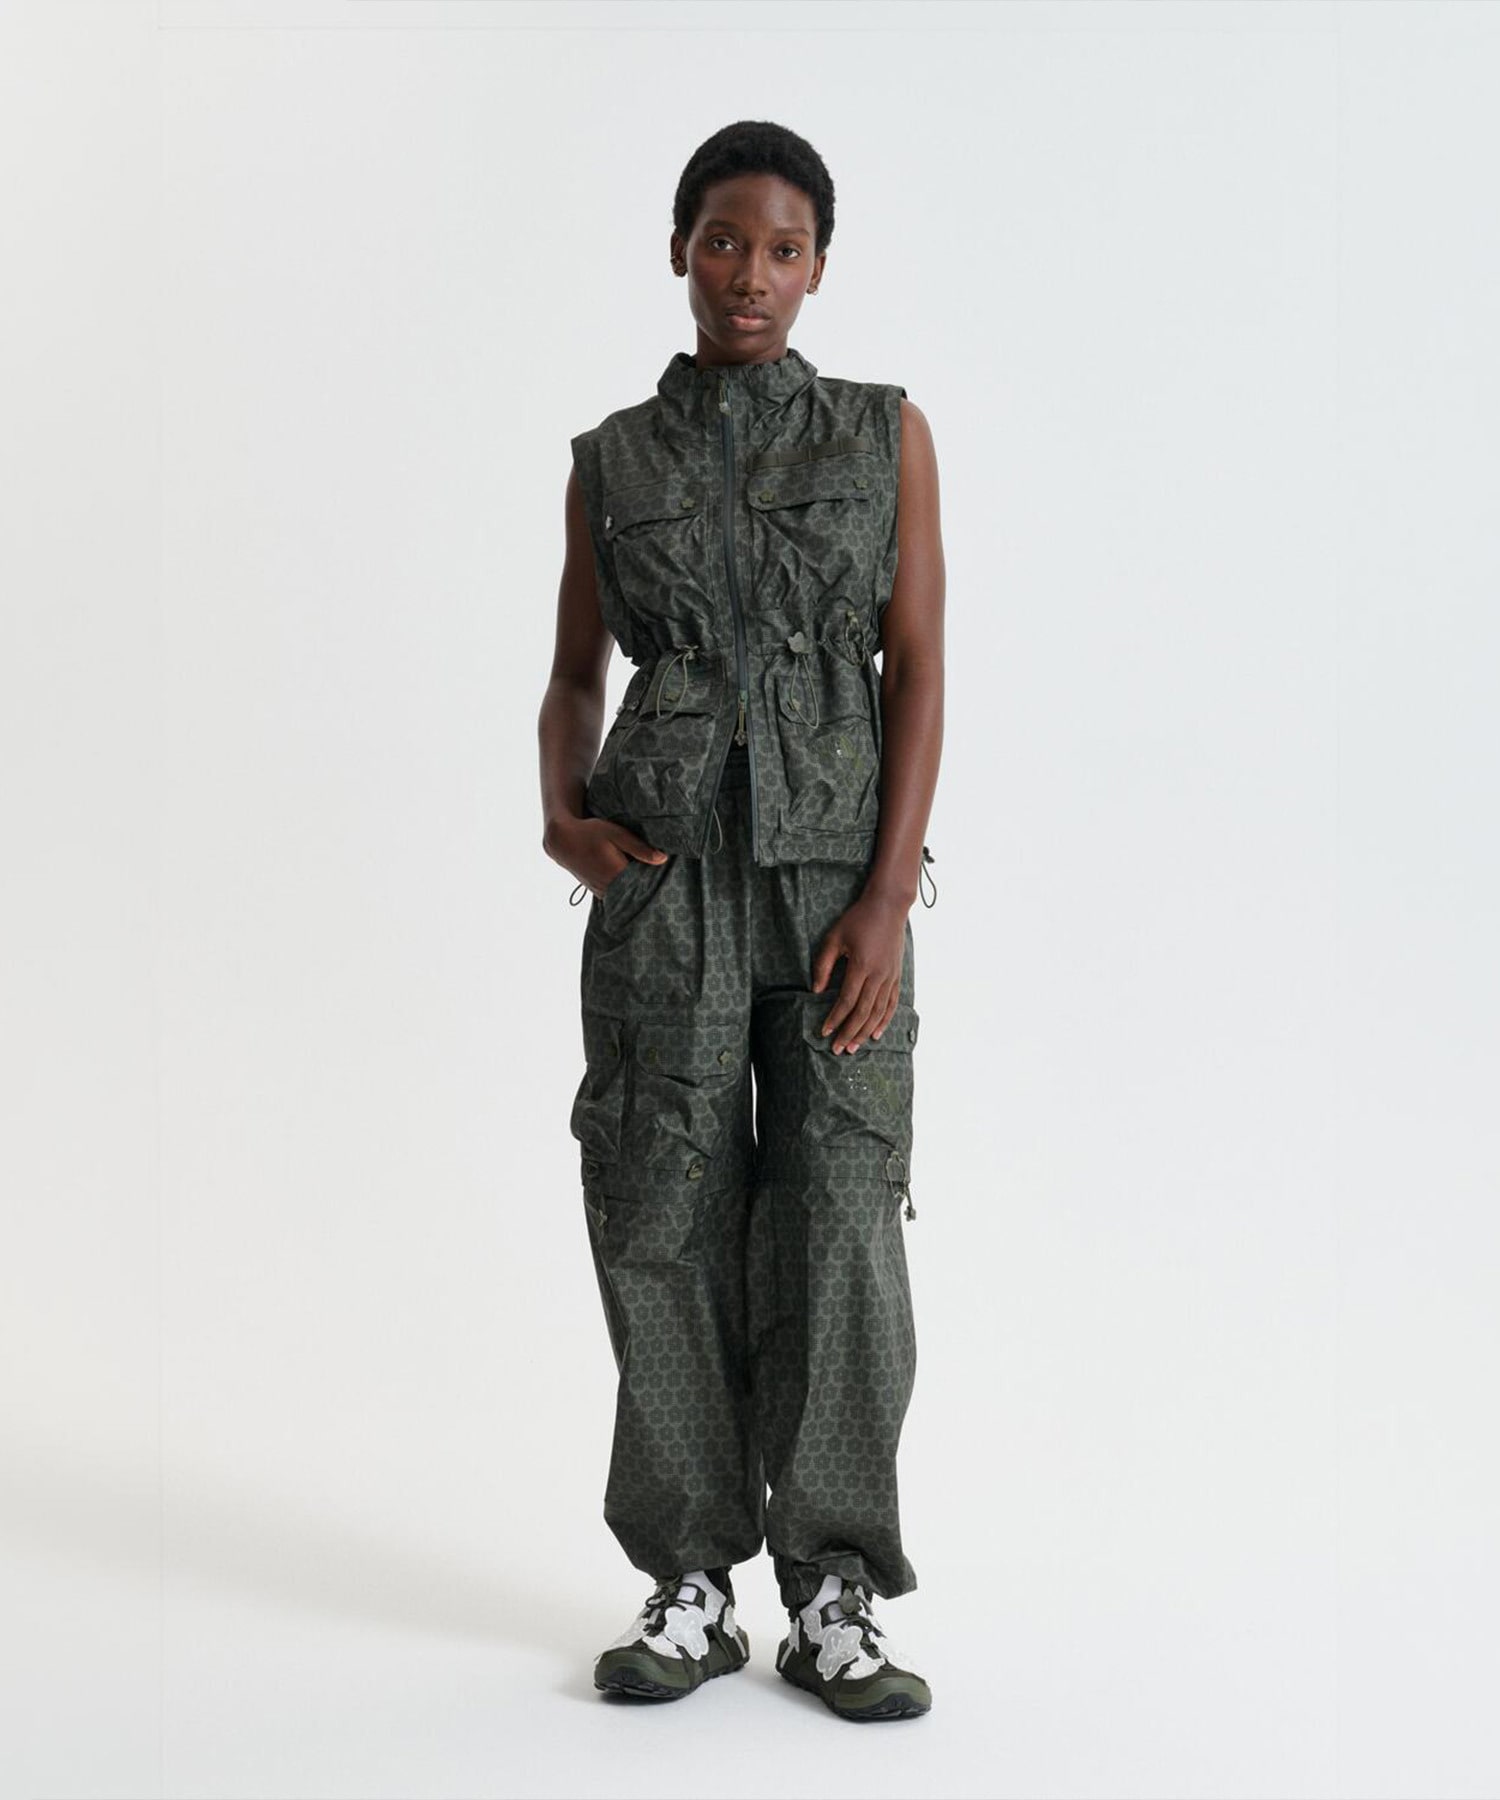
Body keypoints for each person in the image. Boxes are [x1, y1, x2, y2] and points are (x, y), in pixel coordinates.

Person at [538, 119, 945, 1723]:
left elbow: (919, 665)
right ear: (679, 251)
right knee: (660, 1215)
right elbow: (574, 674)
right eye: (723, 241)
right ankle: (692, 1580)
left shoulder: (883, 432)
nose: (750, 274)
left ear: (820, 266)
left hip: (838, 887)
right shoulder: (610, 460)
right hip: (667, 891)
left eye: (782, 248)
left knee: (841, 1220)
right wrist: (565, 818)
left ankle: (834, 1587)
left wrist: (889, 897)